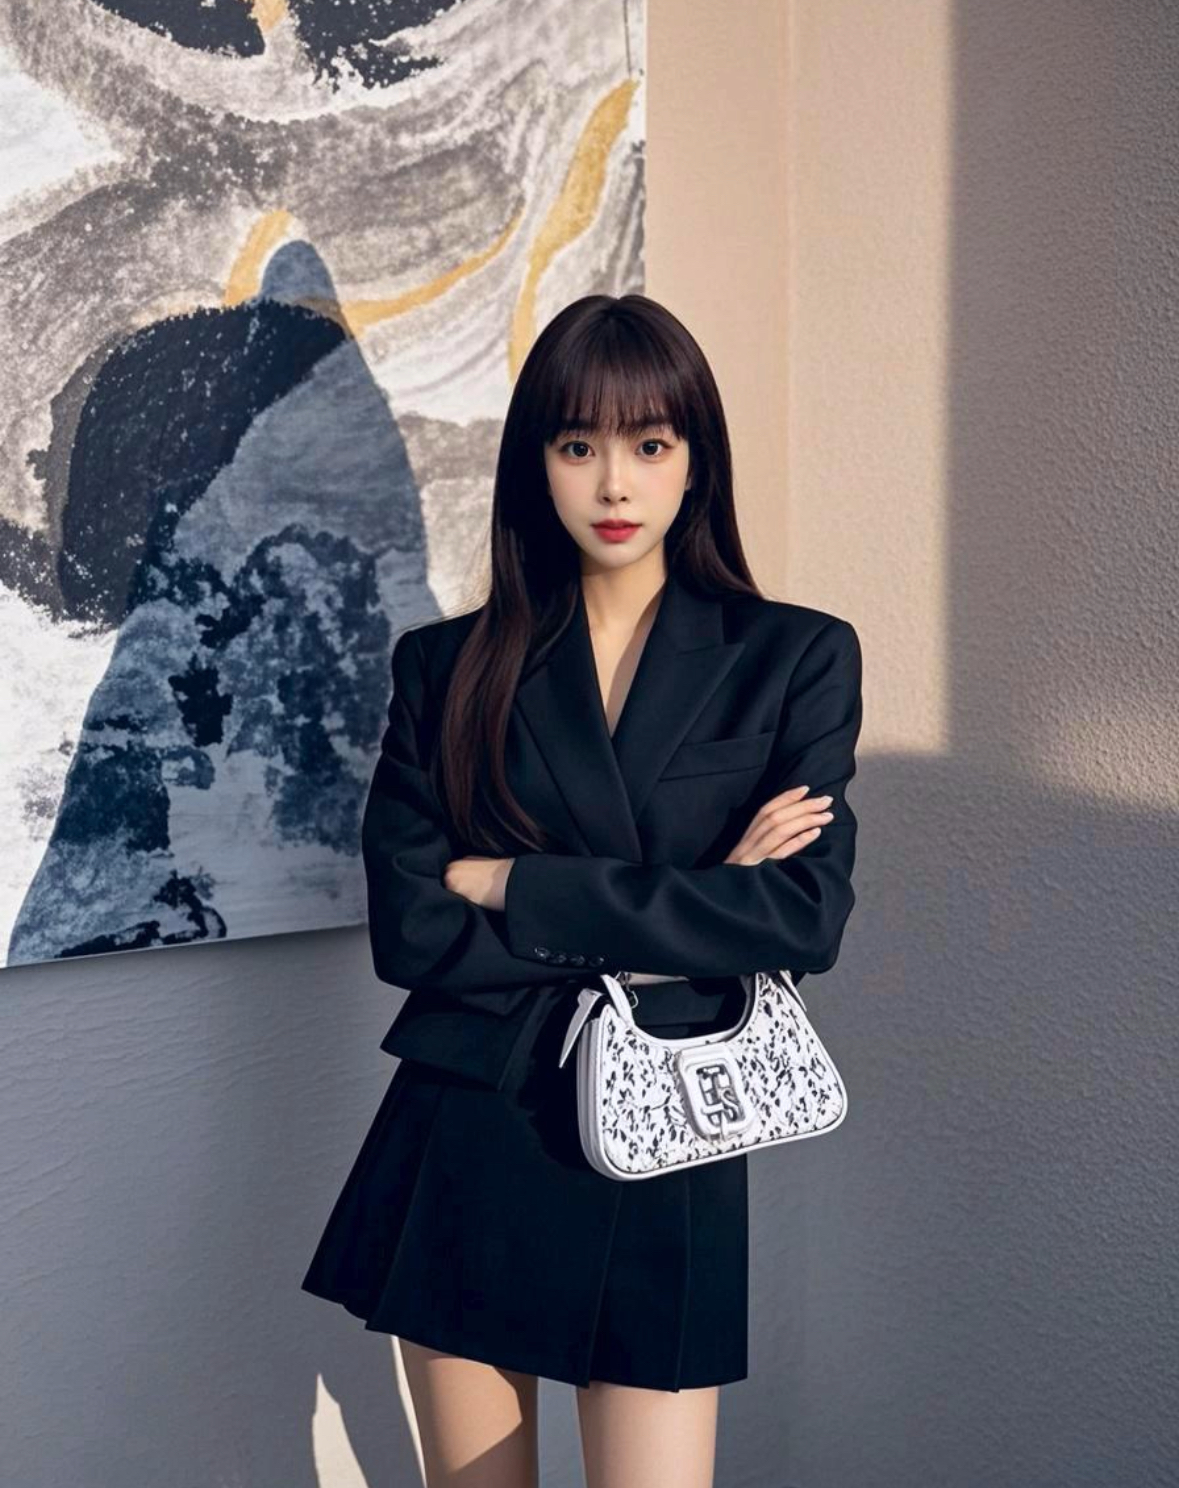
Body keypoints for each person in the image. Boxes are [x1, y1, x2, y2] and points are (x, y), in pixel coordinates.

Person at [302, 292, 863, 1488]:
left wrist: (516, 882)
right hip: (471, 1123)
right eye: (577, 445)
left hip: (669, 1137)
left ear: (695, 460)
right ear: (536, 463)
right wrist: (694, 900)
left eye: (649, 444)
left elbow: (801, 918)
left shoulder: (793, 657)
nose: (614, 483)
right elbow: (413, 932)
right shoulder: (446, 667)